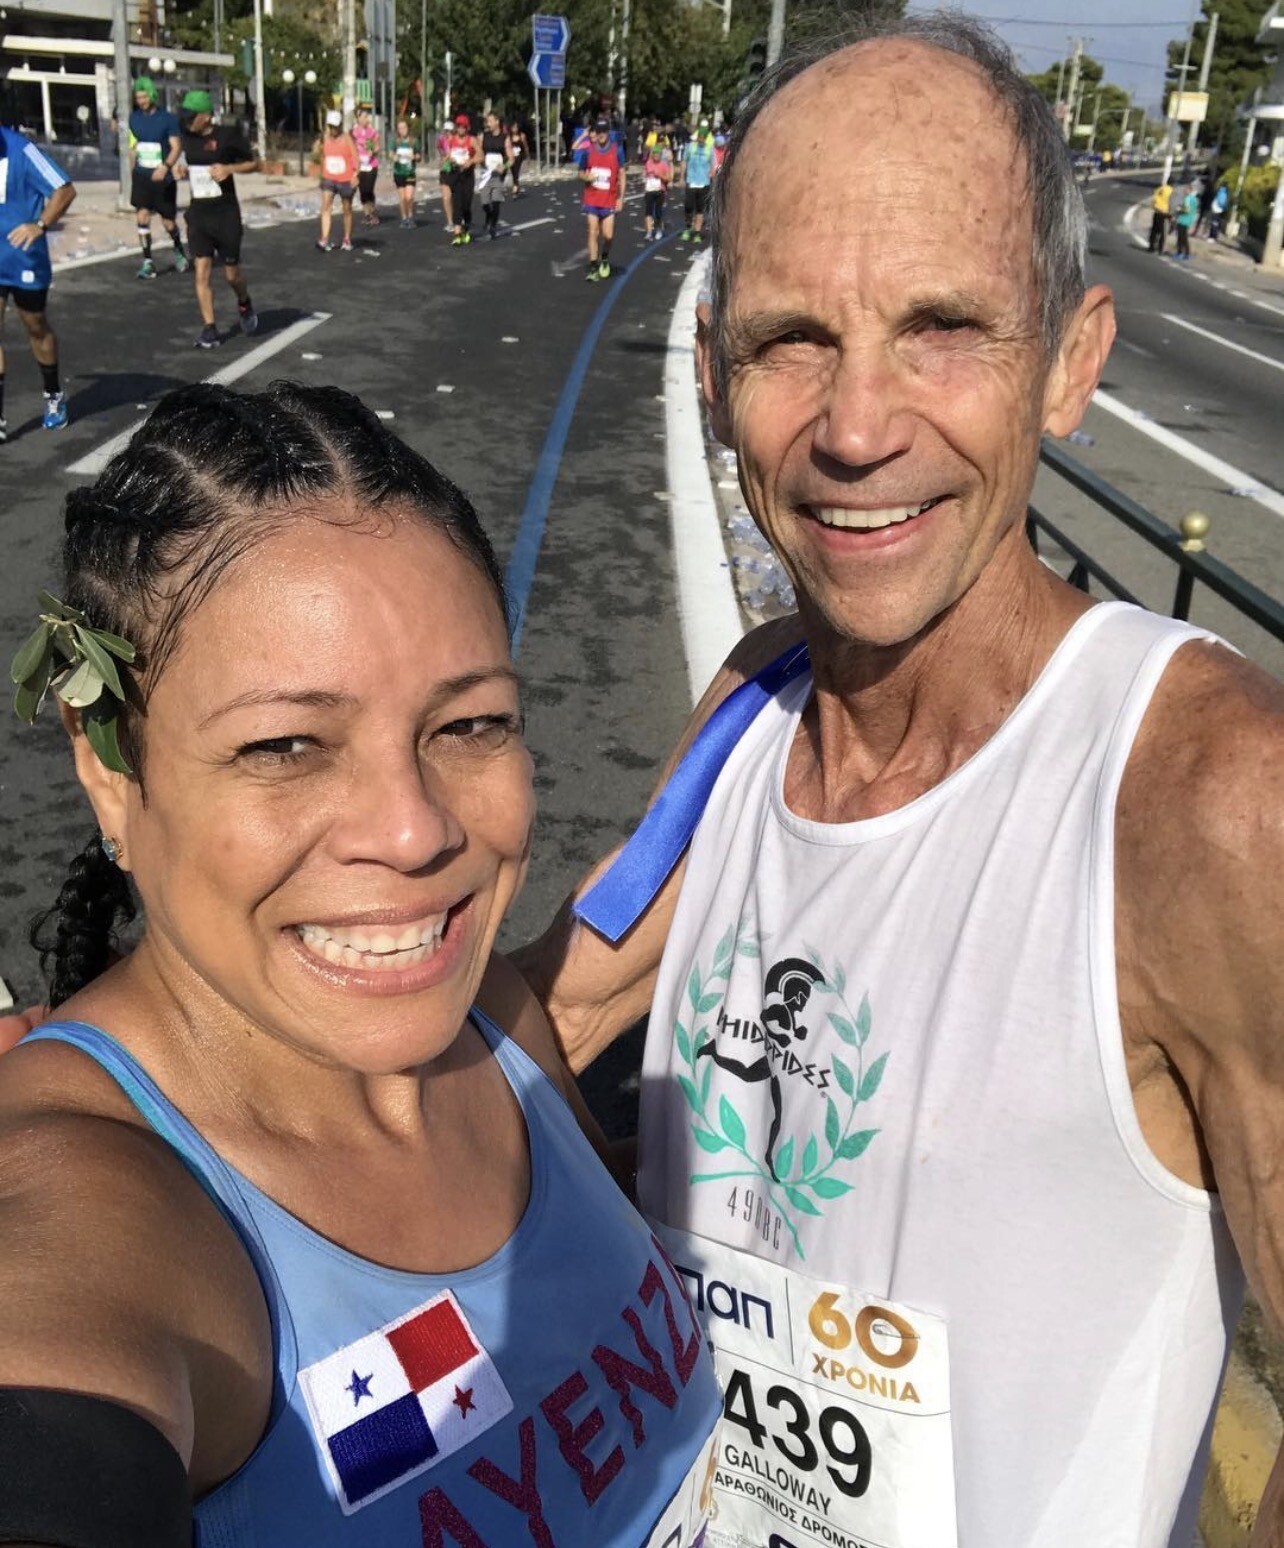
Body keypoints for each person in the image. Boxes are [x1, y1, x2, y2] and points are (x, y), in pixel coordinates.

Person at [516, 15, 1284, 1548]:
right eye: (792, 340)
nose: (858, 428)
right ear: (715, 372)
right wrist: (149, 1078)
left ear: (1070, 364)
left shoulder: (1211, 796)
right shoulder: (753, 707)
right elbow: (553, 1014)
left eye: (943, 328)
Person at [0, 380, 721, 1545]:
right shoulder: (96, 1203)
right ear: (109, 771)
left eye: (470, 724)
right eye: (286, 744)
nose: (414, 831)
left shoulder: (488, 1022)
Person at [0, 116, 74, 435]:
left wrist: (40, 225)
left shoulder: (23, 150)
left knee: (35, 326)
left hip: (25, 259)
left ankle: (54, 394)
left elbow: (65, 190)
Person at [176, 90, 259, 348]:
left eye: (192, 117)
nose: (188, 122)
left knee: (231, 275)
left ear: (206, 116)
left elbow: (253, 163)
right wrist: (180, 168)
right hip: (199, 215)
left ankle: (244, 302)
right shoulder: (187, 138)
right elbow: (184, 159)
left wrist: (229, 168)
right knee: (201, 271)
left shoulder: (227, 136)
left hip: (225, 215)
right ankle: (209, 328)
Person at [127, 77, 188, 280]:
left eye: (144, 97)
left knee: (168, 222)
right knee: (142, 216)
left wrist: (165, 166)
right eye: (138, 98)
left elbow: (176, 147)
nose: (141, 101)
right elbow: (132, 146)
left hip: (163, 177)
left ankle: (178, 248)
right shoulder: (134, 118)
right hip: (142, 176)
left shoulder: (167, 119)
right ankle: (148, 262)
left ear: (152, 95)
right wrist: (132, 170)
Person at [575, 116, 625, 282]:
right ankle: (593, 267)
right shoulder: (588, 151)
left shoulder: (617, 150)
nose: (601, 134)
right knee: (593, 231)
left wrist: (621, 198)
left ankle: (604, 257)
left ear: (608, 132)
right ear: (595, 132)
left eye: (604, 131)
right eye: (599, 131)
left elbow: (622, 174)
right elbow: (580, 172)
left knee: (608, 235)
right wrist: (586, 177)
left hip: (609, 199)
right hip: (592, 198)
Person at [316, 110, 358, 252]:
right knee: (326, 206)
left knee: (347, 208)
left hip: (345, 179)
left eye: (335, 126)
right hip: (329, 178)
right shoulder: (325, 138)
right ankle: (324, 239)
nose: (333, 129)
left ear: (339, 125)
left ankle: (347, 238)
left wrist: (355, 174)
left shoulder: (347, 138)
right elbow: (322, 155)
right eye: (331, 126)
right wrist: (322, 172)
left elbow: (355, 157)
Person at [442, 112, 477, 246]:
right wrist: (448, 159)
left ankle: (466, 228)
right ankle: (457, 234)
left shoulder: (472, 140)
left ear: (467, 127)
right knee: (457, 203)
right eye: (459, 126)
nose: (461, 129)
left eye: (463, 126)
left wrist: (471, 161)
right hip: (456, 174)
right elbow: (447, 155)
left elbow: (481, 155)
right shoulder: (452, 140)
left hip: (468, 175)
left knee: (466, 205)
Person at [679, 118, 715, 244]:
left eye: (703, 137)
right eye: (700, 137)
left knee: (700, 208)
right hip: (691, 180)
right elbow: (684, 161)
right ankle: (688, 228)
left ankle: (697, 232)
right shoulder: (690, 147)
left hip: (703, 182)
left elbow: (713, 165)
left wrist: (711, 173)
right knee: (688, 206)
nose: (701, 139)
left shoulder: (709, 149)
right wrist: (682, 177)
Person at [477, 111, 511, 240]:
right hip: (486, 173)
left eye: (490, 121)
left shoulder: (504, 138)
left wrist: (505, 166)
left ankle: (493, 226)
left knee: (496, 201)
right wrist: (480, 161)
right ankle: (489, 215)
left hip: (498, 175)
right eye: (487, 121)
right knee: (485, 203)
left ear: (497, 121)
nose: (488, 124)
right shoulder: (483, 136)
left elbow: (511, 158)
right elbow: (478, 152)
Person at [352, 105, 380, 227]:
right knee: (362, 191)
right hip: (359, 166)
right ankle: (367, 215)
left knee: (369, 190)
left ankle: (372, 212)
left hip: (371, 165)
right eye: (363, 117)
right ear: (358, 118)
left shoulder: (371, 131)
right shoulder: (353, 133)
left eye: (366, 116)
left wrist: (372, 151)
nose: (366, 119)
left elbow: (377, 147)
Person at [642, 135, 673, 243]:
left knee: (658, 212)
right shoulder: (648, 163)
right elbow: (645, 175)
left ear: (660, 155)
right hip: (650, 190)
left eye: (658, 154)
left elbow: (668, 178)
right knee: (648, 212)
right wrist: (645, 180)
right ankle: (649, 232)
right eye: (654, 154)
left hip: (660, 190)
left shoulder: (664, 165)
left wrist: (660, 176)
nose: (656, 156)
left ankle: (659, 229)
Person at [391, 118, 418, 228]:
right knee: (402, 198)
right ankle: (404, 218)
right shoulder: (395, 141)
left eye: (404, 128)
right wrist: (394, 157)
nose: (402, 130)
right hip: (399, 172)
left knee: (409, 197)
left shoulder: (414, 141)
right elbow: (390, 154)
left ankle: (410, 217)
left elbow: (419, 156)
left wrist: (414, 157)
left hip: (410, 172)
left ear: (408, 128)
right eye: (400, 128)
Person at [436, 118, 454, 230]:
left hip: (455, 170)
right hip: (445, 170)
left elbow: (452, 153)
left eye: (450, 131)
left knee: (456, 197)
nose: (448, 133)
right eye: (446, 131)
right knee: (446, 197)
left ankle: (458, 218)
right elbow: (438, 147)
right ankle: (450, 221)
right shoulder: (441, 139)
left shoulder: (456, 140)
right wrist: (442, 156)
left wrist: (446, 157)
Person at [1173, 182, 1198, 260]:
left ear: (1189, 190)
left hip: (1182, 219)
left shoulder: (1188, 198)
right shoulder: (1195, 199)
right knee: (1185, 238)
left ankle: (1179, 252)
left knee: (1180, 237)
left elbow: (1187, 209)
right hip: (1189, 220)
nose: (1184, 190)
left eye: (1185, 189)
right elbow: (1194, 210)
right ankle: (1187, 253)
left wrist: (1179, 209)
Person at [1149, 176, 1172, 253]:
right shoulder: (1171, 191)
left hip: (1157, 211)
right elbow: (1171, 202)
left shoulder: (1160, 188)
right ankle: (1160, 248)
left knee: (1154, 230)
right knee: (1162, 232)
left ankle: (1151, 247)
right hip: (1165, 213)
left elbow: (1154, 196)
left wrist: (1154, 206)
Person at [507, 117, 530, 196]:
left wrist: (527, 156)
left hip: (519, 156)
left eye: (516, 127)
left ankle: (515, 188)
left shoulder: (522, 136)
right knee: (513, 172)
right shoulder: (509, 137)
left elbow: (525, 146)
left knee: (516, 171)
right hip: (511, 156)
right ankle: (516, 185)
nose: (515, 129)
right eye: (513, 127)